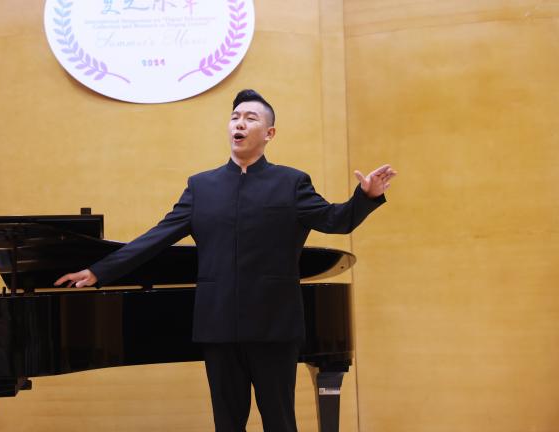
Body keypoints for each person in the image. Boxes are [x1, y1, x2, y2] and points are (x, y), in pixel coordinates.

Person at [55, 89, 396, 431]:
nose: (239, 123)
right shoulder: (201, 187)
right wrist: (98, 271)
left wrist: (366, 196)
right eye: (235, 117)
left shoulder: (291, 183)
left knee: (280, 422)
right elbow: (155, 238)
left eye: (250, 118)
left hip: (275, 326)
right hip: (217, 325)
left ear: (269, 133)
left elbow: (336, 220)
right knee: (227, 424)